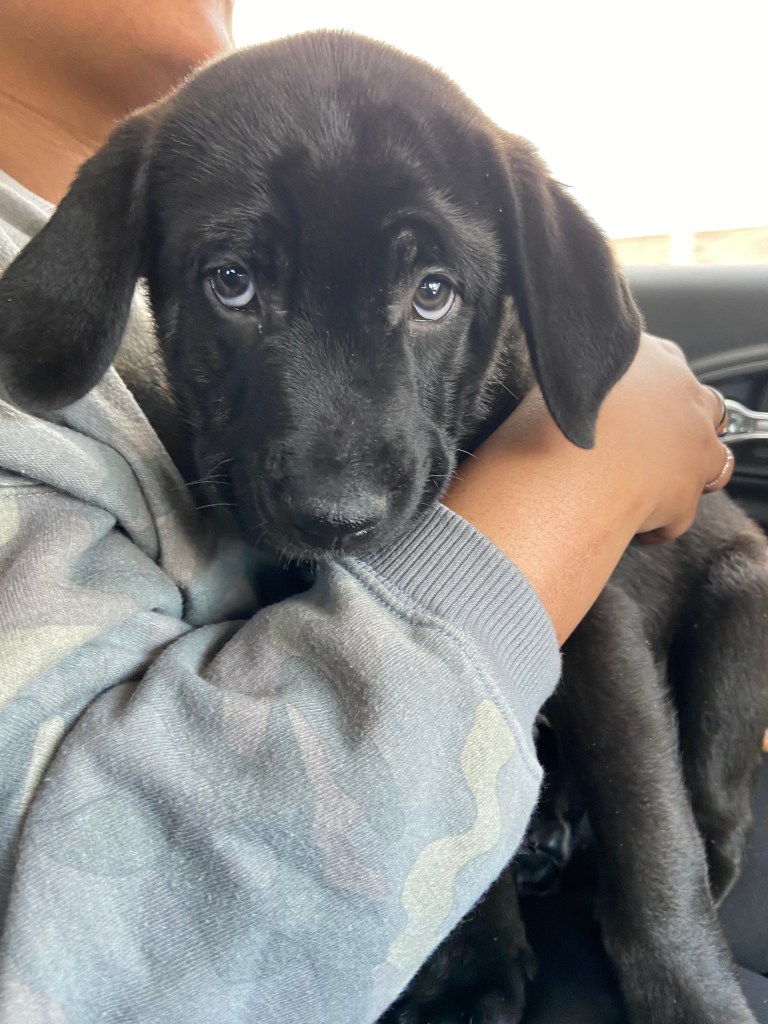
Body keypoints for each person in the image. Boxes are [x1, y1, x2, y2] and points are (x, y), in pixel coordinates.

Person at [0, 2, 763, 1022]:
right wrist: (582, 482)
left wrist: (671, 921)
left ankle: (707, 833)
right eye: (235, 280)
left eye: (432, 287)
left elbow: (591, 628)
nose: (344, 486)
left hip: (645, 689)